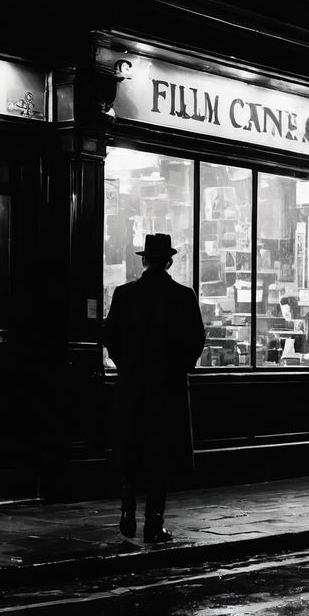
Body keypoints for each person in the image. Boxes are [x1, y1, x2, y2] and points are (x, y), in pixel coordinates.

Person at [104, 233, 206, 543]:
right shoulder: (183, 295)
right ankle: (153, 522)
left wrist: (127, 367)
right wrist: (178, 367)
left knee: (130, 449)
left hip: (132, 387)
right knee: (160, 456)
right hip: (167, 388)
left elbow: (110, 336)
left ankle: (126, 512)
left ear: (145, 260)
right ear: (170, 261)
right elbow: (196, 339)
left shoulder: (124, 294)